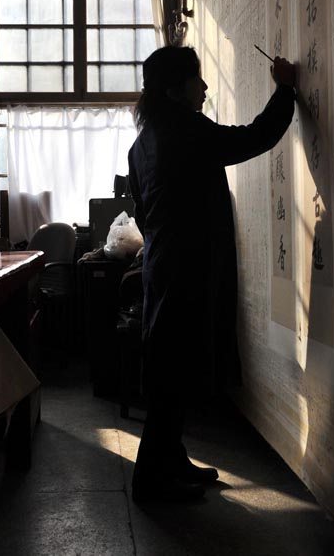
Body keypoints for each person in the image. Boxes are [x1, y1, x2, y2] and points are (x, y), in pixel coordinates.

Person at [127, 45, 297, 502]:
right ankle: (151, 482)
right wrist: (284, 89)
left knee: (170, 369)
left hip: (164, 265)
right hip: (185, 269)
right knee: (174, 373)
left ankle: (170, 461)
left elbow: (143, 215)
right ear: (174, 87)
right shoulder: (183, 129)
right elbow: (250, 139)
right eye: (196, 80)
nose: (204, 88)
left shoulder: (143, 143)